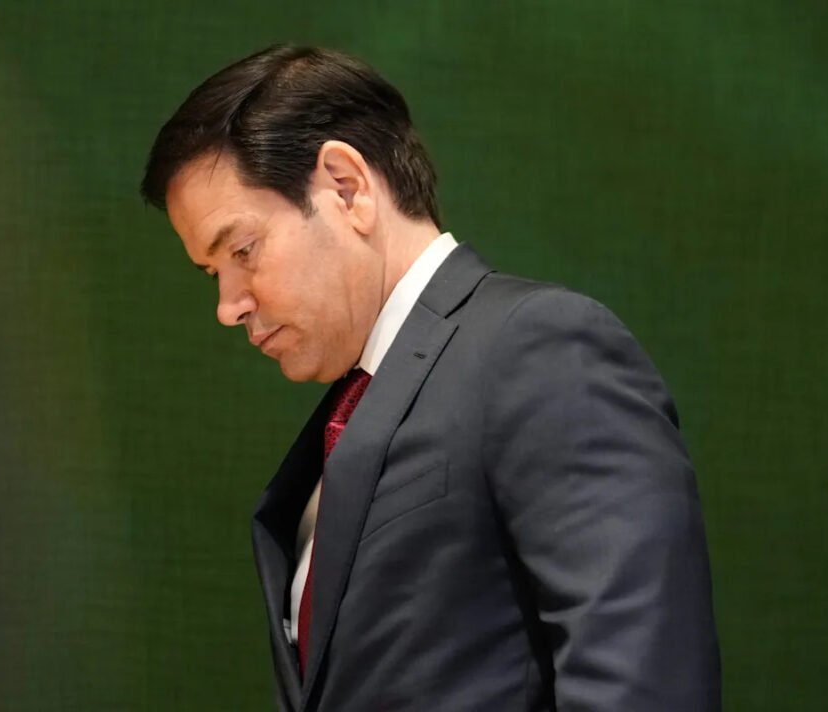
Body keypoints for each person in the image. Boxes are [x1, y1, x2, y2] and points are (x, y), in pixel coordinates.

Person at [141, 45, 721, 711]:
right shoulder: (353, 410)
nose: (228, 306)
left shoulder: (538, 347)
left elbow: (645, 682)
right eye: (213, 273)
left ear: (346, 187)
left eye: (243, 250)